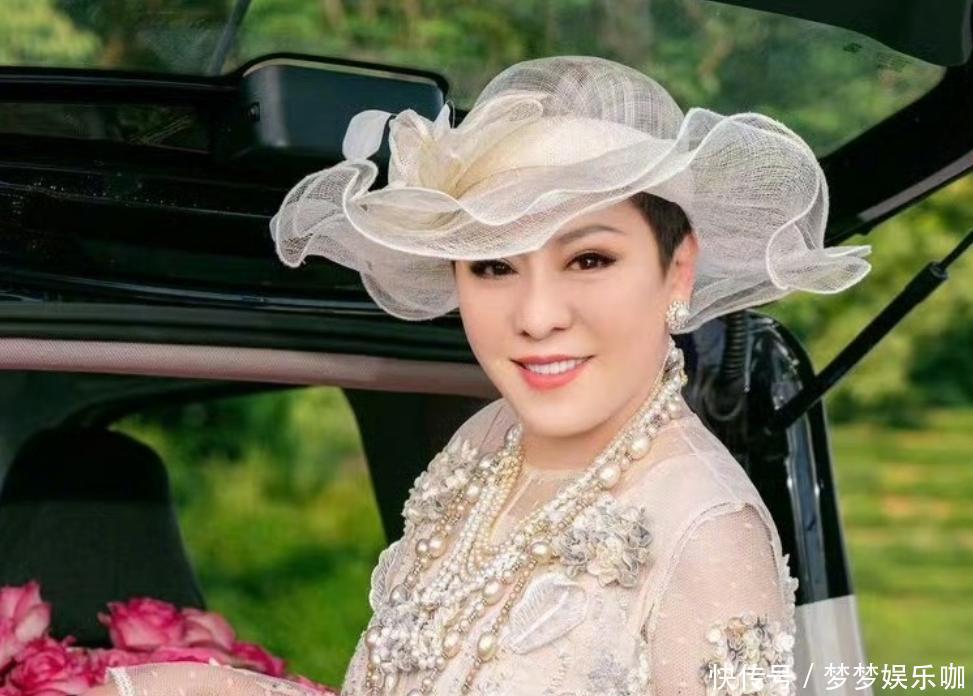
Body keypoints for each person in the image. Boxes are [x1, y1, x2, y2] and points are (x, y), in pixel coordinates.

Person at [90, 55, 872, 696]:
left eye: (588, 259)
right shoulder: (486, 439)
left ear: (677, 270)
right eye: (493, 265)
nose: (536, 316)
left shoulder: (707, 536)